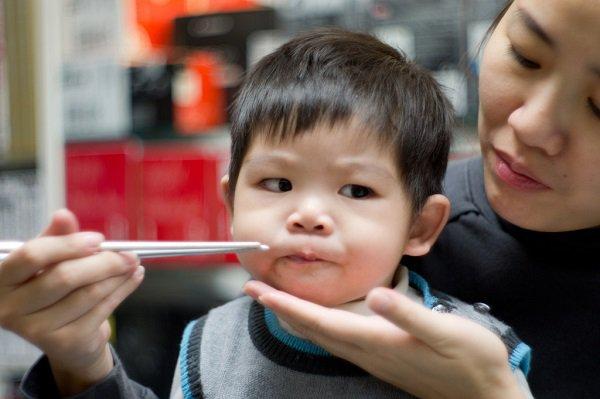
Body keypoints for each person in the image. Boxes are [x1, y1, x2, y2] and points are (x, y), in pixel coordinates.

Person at [0, 29, 534, 398]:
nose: (307, 214)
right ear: (231, 204)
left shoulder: (471, 349)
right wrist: (80, 361)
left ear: (420, 226)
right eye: (277, 184)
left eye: (356, 191)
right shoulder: (208, 343)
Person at [242, 0, 600, 398]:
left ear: (423, 226)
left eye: (599, 106)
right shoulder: (377, 229)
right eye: (526, 55)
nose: (530, 126)